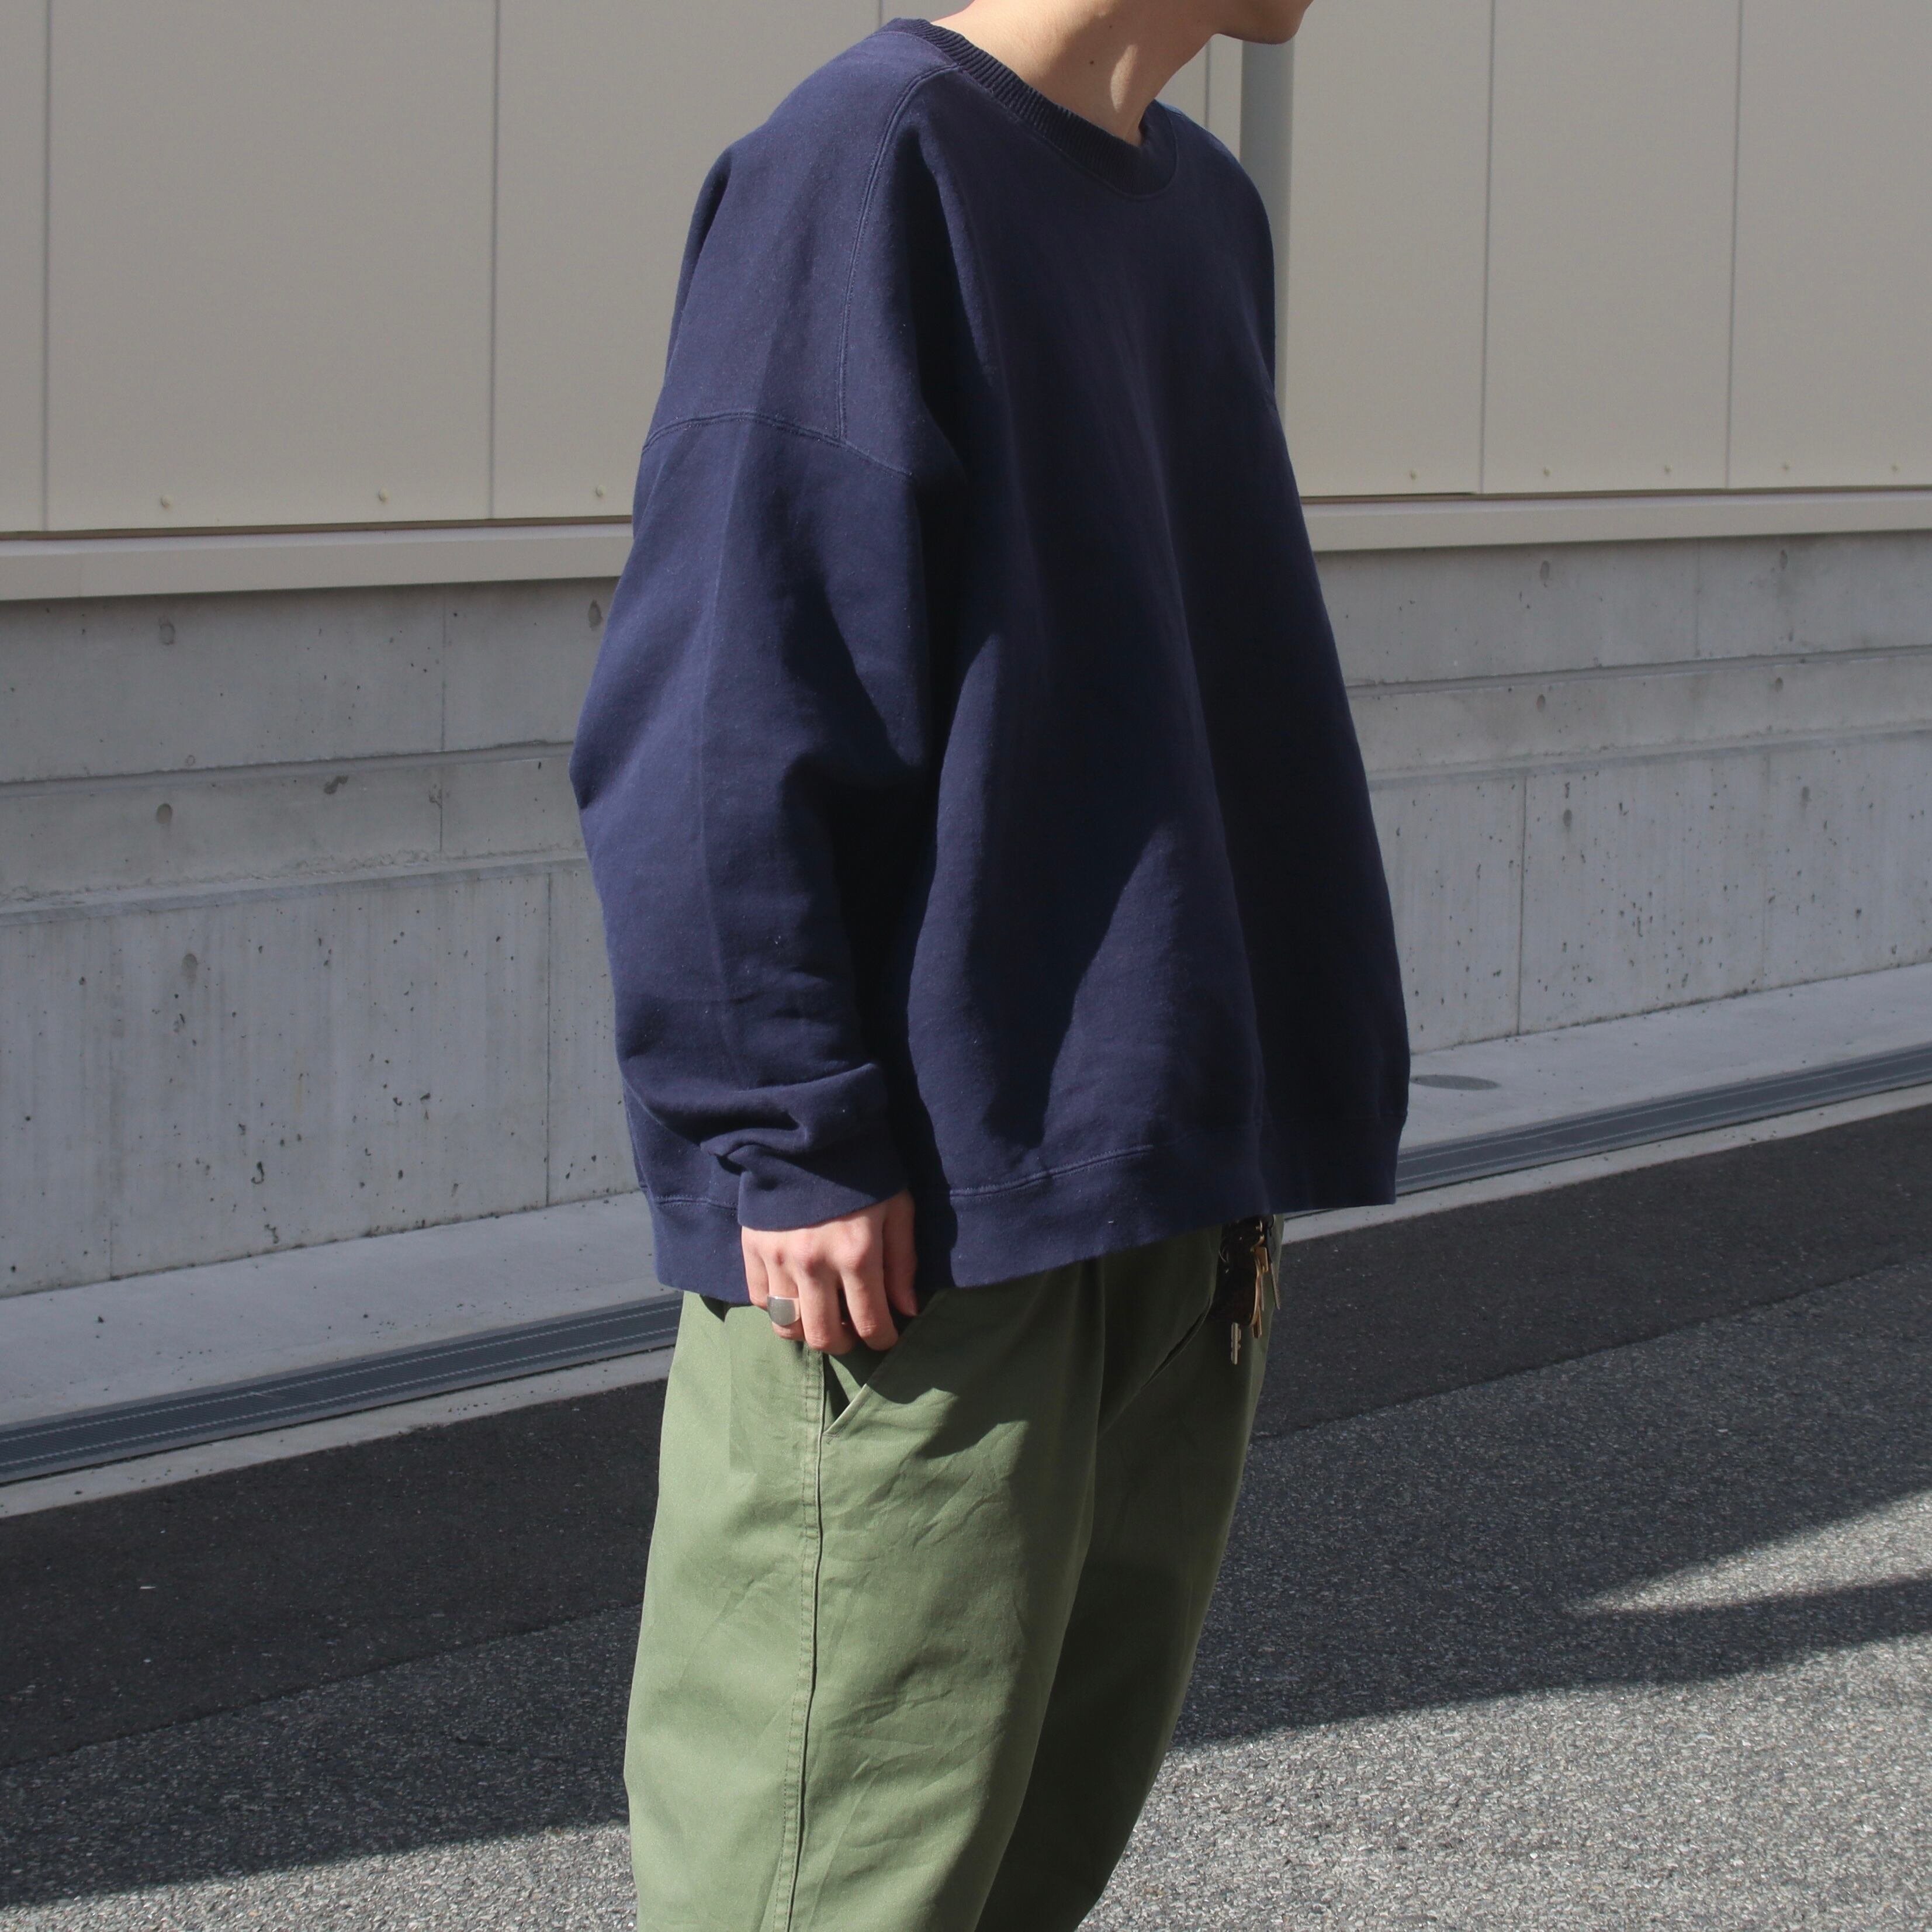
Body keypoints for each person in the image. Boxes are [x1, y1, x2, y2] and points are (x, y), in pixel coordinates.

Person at [569, 1, 1407, 1923]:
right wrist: (782, 1128)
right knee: (824, 1883)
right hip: (923, 1239)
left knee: (1027, 1862)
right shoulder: (868, 167)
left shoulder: (1201, 210)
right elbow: (728, 692)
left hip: (1167, 1194)